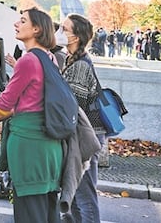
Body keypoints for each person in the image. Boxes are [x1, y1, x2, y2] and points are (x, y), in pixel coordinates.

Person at [0, 7, 62, 223]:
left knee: (29, 213)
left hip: (30, 147)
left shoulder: (28, 61)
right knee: (47, 212)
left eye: (22, 21)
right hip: (50, 148)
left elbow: (5, 103)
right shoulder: (50, 59)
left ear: (36, 29)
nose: (16, 25)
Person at [60, 14, 105, 223]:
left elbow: (73, 107)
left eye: (64, 29)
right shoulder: (73, 59)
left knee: (84, 197)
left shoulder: (79, 66)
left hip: (85, 137)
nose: (59, 33)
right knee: (77, 195)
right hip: (85, 134)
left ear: (75, 37)